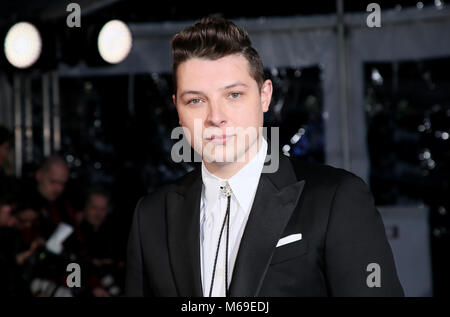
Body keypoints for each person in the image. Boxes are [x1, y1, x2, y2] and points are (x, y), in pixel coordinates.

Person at [125, 17, 404, 297]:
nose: (216, 117)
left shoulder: (335, 199)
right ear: (178, 108)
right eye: (196, 100)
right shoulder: (150, 217)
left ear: (264, 96)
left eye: (233, 95)